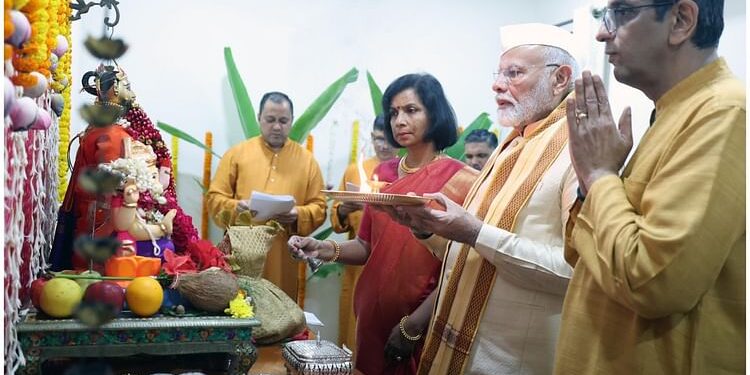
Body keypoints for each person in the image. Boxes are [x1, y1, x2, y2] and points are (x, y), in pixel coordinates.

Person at [555, 1, 745, 373]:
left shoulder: (724, 113)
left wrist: (599, 176)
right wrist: (591, 183)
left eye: (622, 13)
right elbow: (582, 253)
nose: (601, 32)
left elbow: (653, 282)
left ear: (680, 20)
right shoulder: (676, 110)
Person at [381, 24, 581, 374]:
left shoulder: (579, 148)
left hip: (511, 359)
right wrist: (427, 229)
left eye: (514, 73)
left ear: (560, 78)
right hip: (457, 347)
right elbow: (471, 252)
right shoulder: (513, 143)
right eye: (499, 74)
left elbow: (576, 272)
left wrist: (474, 232)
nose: (497, 84)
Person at [289, 73, 477, 375]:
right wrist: (322, 248)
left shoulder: (462, 180)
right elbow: (365, 247)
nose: (399, 121)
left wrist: (413, 325)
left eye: (411, 110)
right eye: (393, 113)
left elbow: (462, 268)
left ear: (435, 113)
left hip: (420, 323)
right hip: (370, 318)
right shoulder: (382, 174)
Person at [207, 91, 327, 301]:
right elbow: (215, 198)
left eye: (283, 120)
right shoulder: (237, 154)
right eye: (270, 120)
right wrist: (238, 207)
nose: (277, 126)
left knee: (280, 313)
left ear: (291, 121)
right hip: (241, 254)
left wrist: (297, 214)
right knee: (239, 307)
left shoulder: (307, 161)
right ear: (259, 118)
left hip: (283, 256)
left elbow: (319, 206)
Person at [51, 65, 173, 271]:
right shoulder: (112, 134)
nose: (132, 93)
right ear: (115, 90)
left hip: (97, 216)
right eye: (127, 86)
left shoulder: (104, 129)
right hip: (103, 219)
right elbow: (115, 182)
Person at [330, 114, 398, 352]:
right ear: (372, 137)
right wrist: (344, 210)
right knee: (353, 331)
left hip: (394, 268)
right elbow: (337, 218)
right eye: (378, 139)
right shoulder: (354, 170)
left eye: (388, 139)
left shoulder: (406, 171)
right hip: (357, 264)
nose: (383, 145)